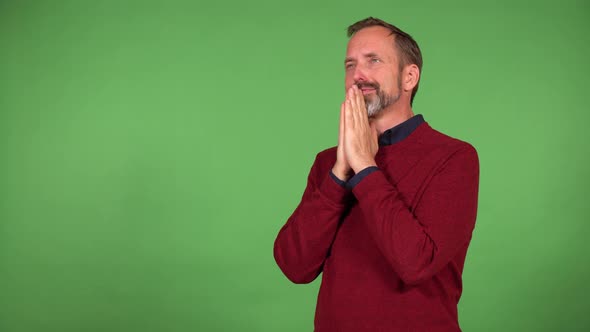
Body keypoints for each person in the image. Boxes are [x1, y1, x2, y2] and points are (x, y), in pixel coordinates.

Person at [273, 17, 480, 331]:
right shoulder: (328, 162)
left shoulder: (454, 157)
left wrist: (365, 167)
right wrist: (340, 172)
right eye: (350, 64)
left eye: (374, 61)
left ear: (409, 77)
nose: (357, 74)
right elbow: (294, 265)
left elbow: (416, 263)